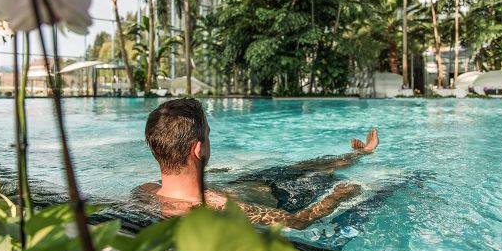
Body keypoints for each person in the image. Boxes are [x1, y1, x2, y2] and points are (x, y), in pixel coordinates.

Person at [134, 98, 379, 230]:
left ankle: (360, 154)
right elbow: (298, 221)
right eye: (208, 135)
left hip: (247, 183)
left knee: (303, 165)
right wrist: (337, 196)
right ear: (198, 149)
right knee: (311, 171)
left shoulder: (145, 191)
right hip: (282, 194)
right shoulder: (224, 209)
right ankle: (362, 155)